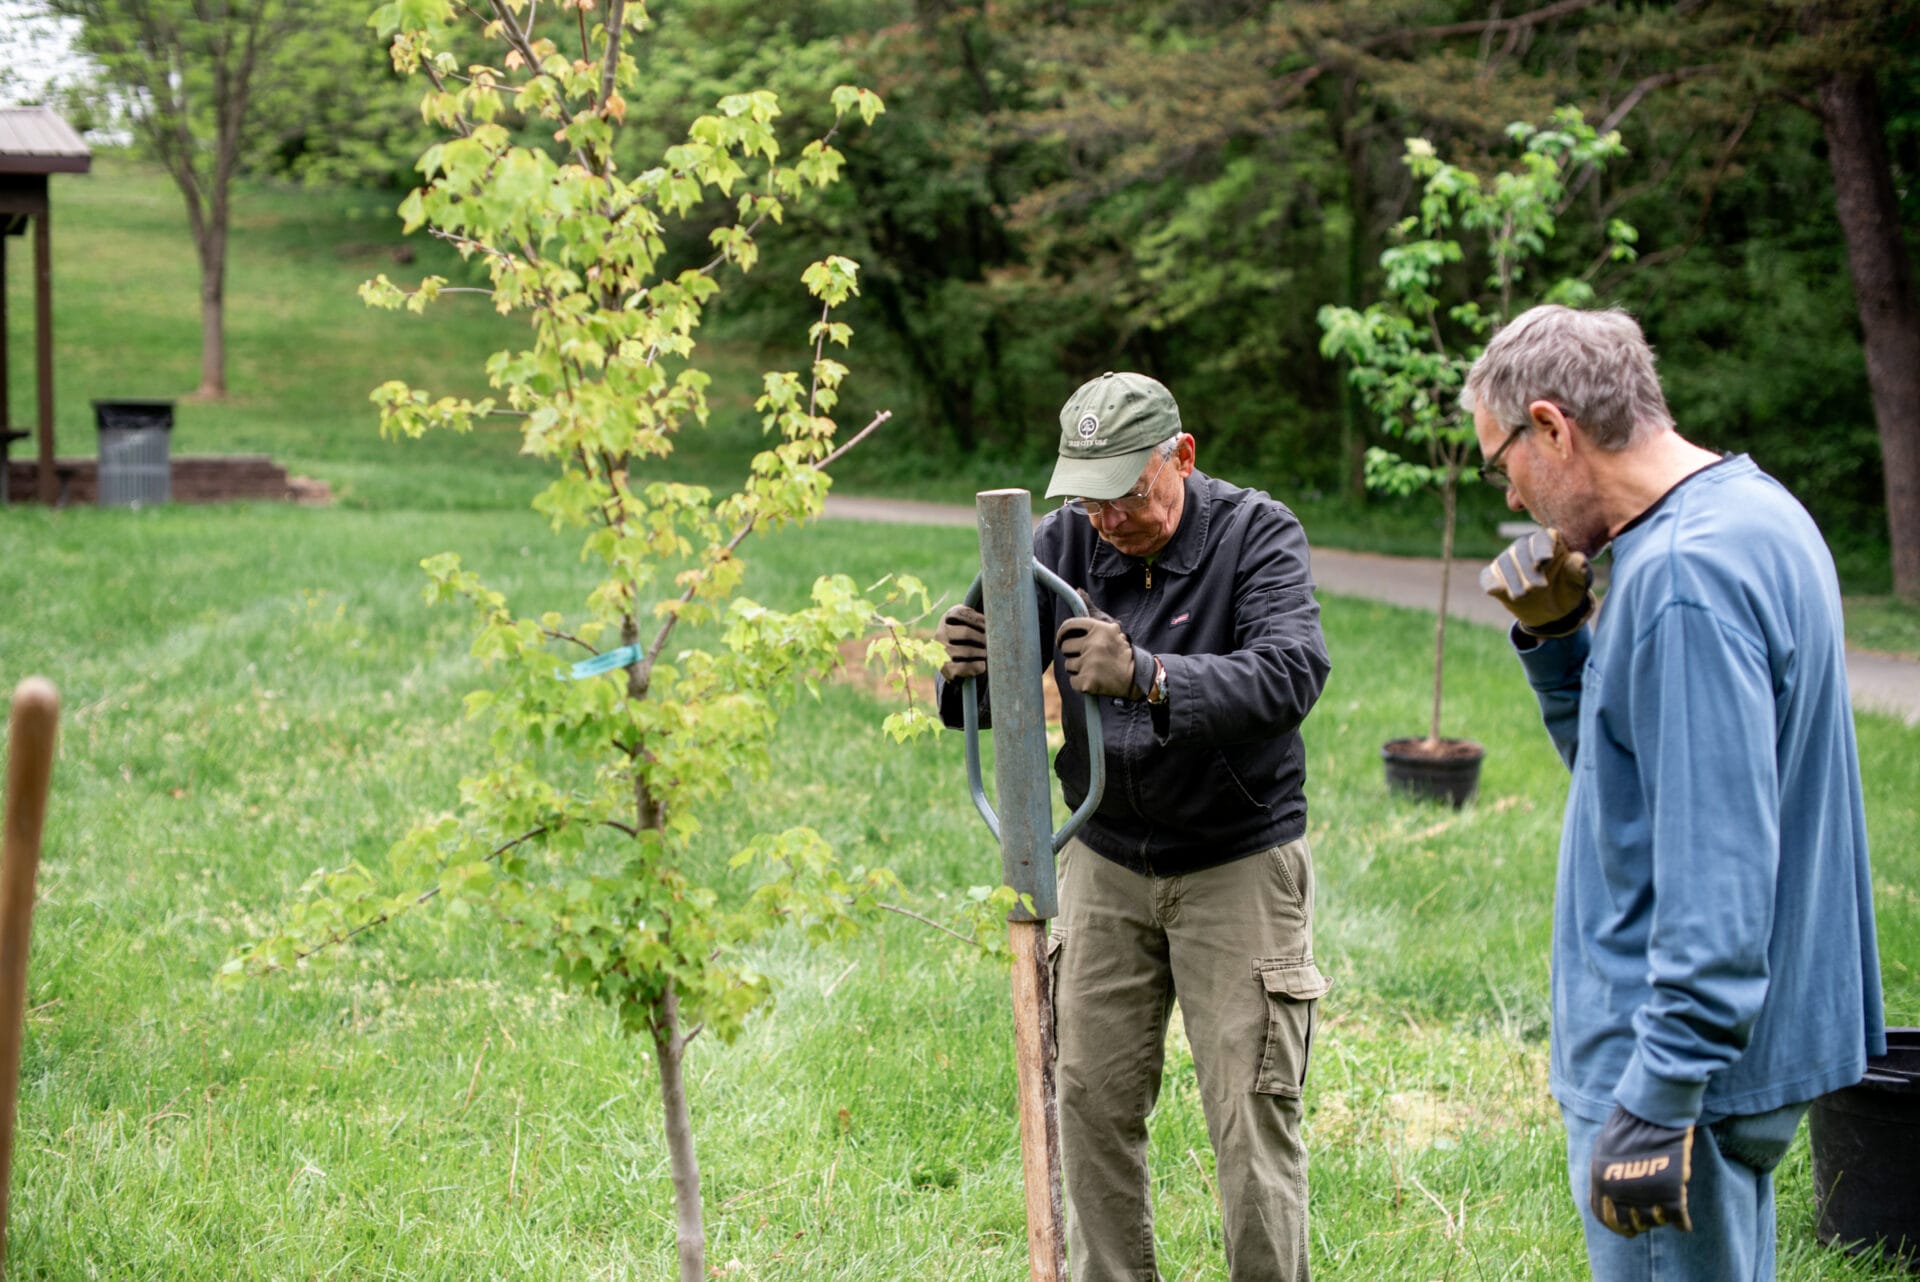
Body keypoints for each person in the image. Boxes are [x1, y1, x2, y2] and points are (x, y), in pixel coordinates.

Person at [1466, 305, 1885, 1281]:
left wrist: (1656, 1095)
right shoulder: (1756, 514)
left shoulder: (1683, 578)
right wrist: (1563, 644)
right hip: (1742, 1049)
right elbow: (1639, 788)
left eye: (1502, 463)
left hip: (1671, 1063)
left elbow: (1717, 874)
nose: (1515, 494)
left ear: (1552, 427)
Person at [934, 371, 1333, 1282]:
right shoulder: (1059, 542)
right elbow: (976, 700)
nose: (1107, 519)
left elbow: (1291, 673)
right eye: (1089, 497)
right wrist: (964, 671)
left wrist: (1152, 676)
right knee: (1088, 1099)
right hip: (1105, 856)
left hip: (1236, 859)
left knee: (1250, 1114)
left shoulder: (1255, 533)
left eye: (1126, 493)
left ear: (1180, 457)